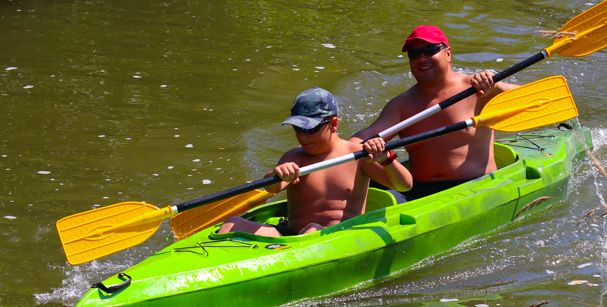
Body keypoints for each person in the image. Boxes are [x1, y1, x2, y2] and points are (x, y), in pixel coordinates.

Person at [348, 25, 518, 202]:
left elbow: (534, 100)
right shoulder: (401, 104)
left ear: (448, 53)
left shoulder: (478, 88)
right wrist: (343, 149)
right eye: (414, 54)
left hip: (474, 186)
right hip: (418, 190)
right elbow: (366, 136)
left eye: (430, 50)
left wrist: (497, 87)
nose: (421, 59)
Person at [217, 87, 412, 237]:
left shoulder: (358, 154)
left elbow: (404, 185)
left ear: (333, 124)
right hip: (292, 236)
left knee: (312, 229)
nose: (303, 136)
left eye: (310, 129)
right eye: (298, 129)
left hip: (338, 237)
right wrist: (277, 173)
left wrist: (387, 158)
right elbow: (272, 188)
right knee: (231, 223)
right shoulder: (295, 157)